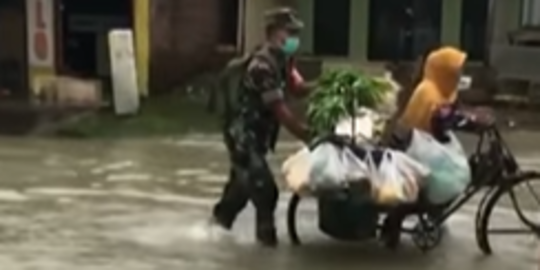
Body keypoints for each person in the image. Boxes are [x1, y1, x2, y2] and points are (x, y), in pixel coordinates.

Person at [211, 7, 310, 247]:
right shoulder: (262, 67)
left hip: (257, 138)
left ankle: (213, 235)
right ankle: (266, 249)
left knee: (239, 193)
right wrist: (307, 135)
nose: (294, 38)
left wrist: (330, 85)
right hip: (244, 138)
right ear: (275, 33)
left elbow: (297, 88)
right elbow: (280, 110)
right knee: (266, 192)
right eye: (290, 32)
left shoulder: (283, 61)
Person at [381, 46, 493, 247]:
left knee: (448, 177)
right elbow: (442, 119)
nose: (459, 75)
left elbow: (452, 111)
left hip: (421, 146)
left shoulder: (439, 88)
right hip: (412, 151)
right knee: (450, 181)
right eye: (455, 70)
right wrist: (472, 123)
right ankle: (405, 218)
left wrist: (472, 116)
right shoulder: (429, 92)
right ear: (444, 70)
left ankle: (425, 216)